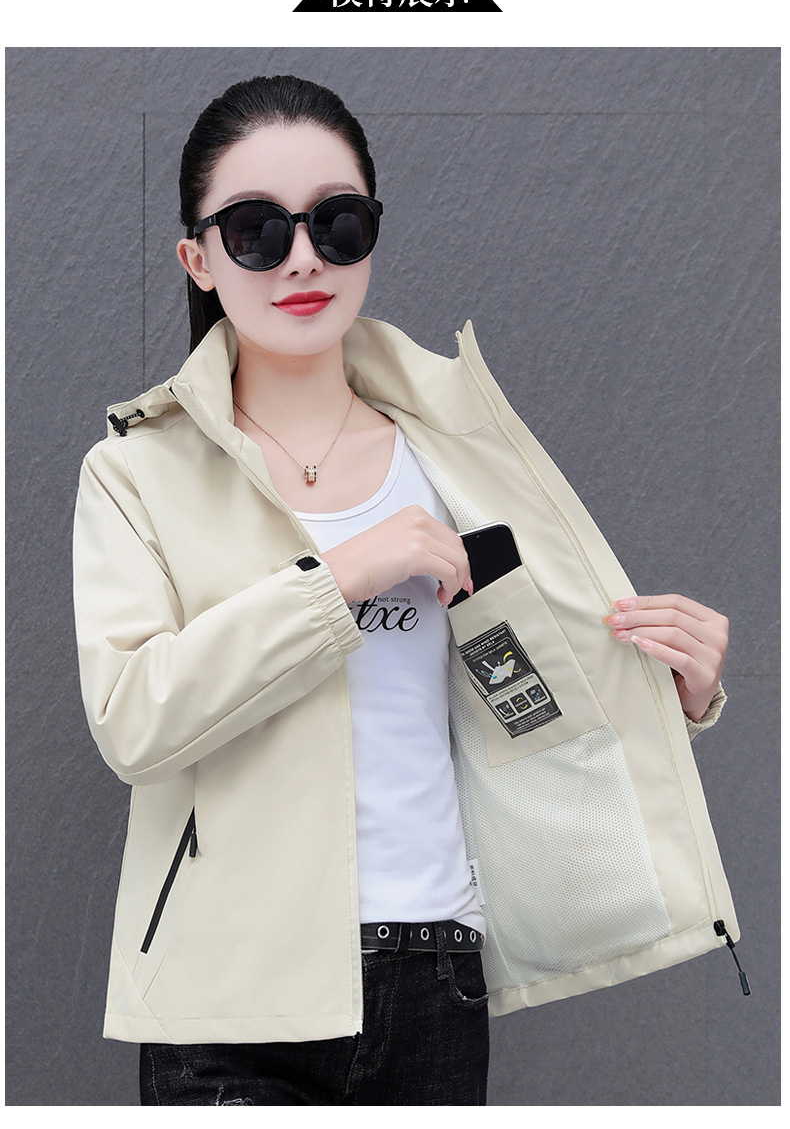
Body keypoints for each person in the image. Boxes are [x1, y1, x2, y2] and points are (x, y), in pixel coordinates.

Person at [72, 74, 735, 1107]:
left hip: (435, 973)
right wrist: (340, 578)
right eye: (256, 230)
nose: (303, 258)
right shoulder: (135, 472)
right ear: (198, 257)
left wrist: (675, 692)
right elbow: (133, 719)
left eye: (336, 222)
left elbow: (521, 697)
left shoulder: (455, 454)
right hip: (230, 990)